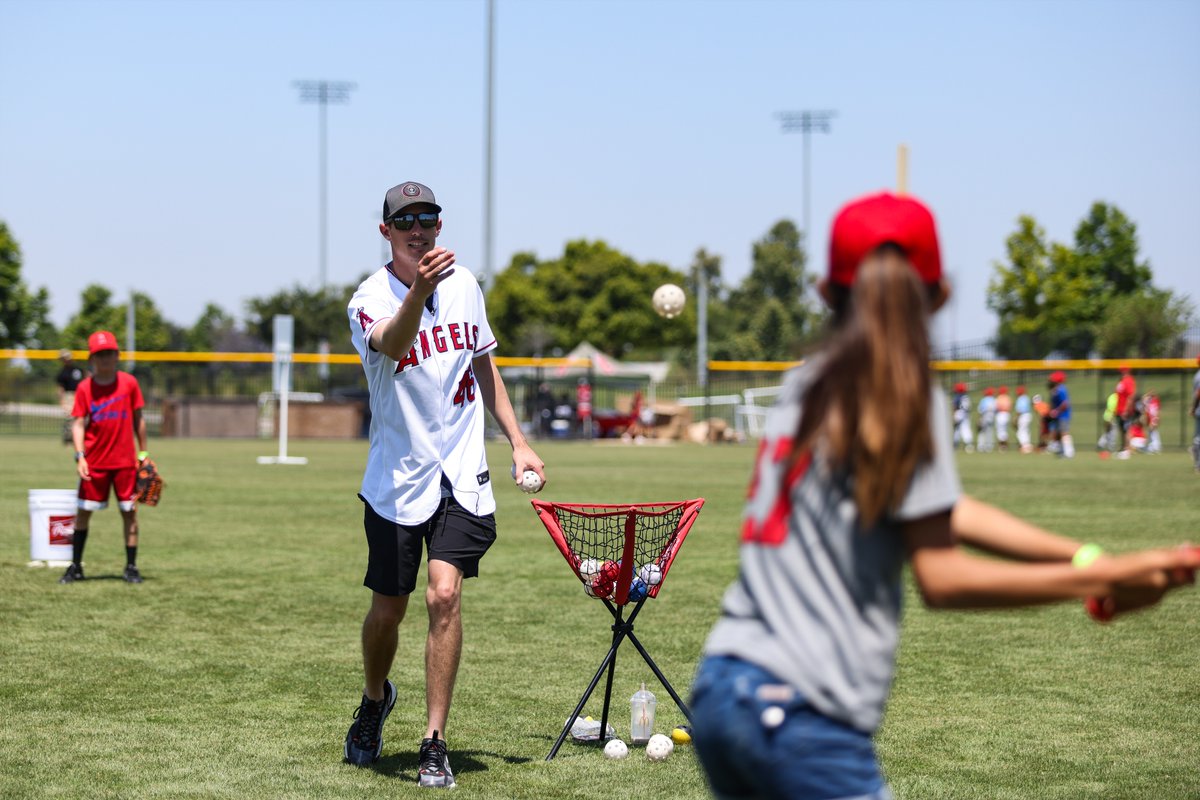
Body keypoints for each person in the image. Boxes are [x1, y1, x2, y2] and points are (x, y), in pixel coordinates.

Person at [688, 191, 1199, 800]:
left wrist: (1086, 557)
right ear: (940, 295)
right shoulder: (899, 389)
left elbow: (942, 511)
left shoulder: (807, 385)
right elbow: (943, 578)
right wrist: (1104, 579)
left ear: (826, 293)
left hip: (722, 687)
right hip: (801, 709)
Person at [344, 181, 545, 788]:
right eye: (405, 220)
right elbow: (393, 341)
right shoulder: (368, 297)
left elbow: (483, 365)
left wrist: (518, 440)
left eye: (427, 217)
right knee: (389, 610)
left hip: (460, 473)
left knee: (444, 595)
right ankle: (375, 698)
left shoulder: (466, 287)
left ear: (438, 225)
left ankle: (434, 739)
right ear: (386, 231)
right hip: (397, 480)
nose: (418, 229)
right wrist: (421, 292)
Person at [60, 331, 149, 585]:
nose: (105, 358)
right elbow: (78, 423)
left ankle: (131, 567)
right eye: (100, 354)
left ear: (117, 355)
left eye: (109, 353)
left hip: (125, 462)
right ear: (92, 359)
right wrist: (80, 456)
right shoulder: (85, 387)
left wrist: (143, 453)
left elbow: (139, 420)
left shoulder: (129, 383)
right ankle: (76, 566)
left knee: (129, 513)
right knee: (83, 512)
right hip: (95, 462)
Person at [55, 349, 86, 443]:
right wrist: (61, 399)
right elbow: (61, 388)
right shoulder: (62, 373)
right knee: (69, 416)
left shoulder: (78, 370)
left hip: (80, 394)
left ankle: (79, 437)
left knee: (81, 417)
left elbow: (86, 380)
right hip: (68, 396)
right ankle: (69, 438)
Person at [1046, 371, 1074, 458]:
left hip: (1063, 415)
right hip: (1059, 416)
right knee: (1059, 433)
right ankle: (1062, 451)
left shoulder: (1061, 389)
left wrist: (1056, 411)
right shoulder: (1056, 389)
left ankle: (1069, 452)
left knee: (1064, 433)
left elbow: (1065, 403)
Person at [1114, 365, 1137, 458]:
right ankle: (1123, 448)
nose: (1121, 372)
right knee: (1122, 430)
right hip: (1119, 410)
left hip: (1125, 410)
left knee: (1127, 429)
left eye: (1122, 370)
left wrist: (1126, 410)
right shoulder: (1121, 381)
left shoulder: (1128, 380)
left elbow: (1131, 396)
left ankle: (1128, 450)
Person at [951, 382, 973, 452]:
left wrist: (954, 415)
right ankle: (969, 444)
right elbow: (969, 407)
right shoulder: (966, 397)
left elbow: (954, 406)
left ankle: (955, 445)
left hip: (959, 413)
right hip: (966, 414)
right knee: (966, 429)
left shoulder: (957, 396)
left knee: (957, 429)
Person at [976, 387, 996, 453]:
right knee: (989, 432)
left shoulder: (984, 399)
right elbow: (996, 409)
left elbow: (980, 410)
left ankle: (980, 446)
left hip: (985, 416)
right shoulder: (994, 400)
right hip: (992, 417)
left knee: (982, 431)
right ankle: (989, 447)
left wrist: (979, 418)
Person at [1014, 385, 1033, 454]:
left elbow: (1020, 410)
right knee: (1026, 431)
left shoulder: (1020, 398)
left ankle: (1025, 446)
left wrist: (1016, 418)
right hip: (1028, 415)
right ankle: (1028, 445)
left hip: (1023, 416)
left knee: (1020, 432)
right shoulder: (1026, 397)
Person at [994, 385, 1012, 451]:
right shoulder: (1008, 397)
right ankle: (1005, 445)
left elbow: (996, 407)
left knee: (1000, 430)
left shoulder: (999, 398)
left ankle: (1002, 446)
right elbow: (1010, 407)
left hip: (1000, 414)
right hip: (1007, 414)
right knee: (1005, 430)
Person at [1191, 356, 1200, 473]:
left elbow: (1198, 394)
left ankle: (1198, 465)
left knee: (1198, 439)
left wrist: (1193, 408)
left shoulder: (1198, 376)